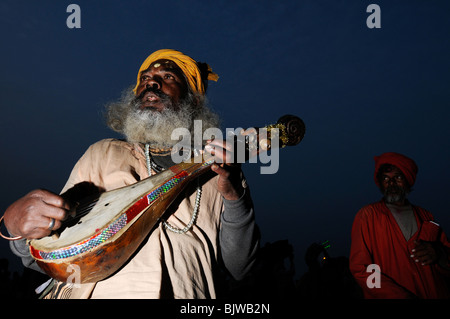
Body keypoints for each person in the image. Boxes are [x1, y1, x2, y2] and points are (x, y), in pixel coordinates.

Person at [1, 49, 260, 299]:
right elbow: (53, 252)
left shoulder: (219, 172)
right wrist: (17, 228)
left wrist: (235, 197)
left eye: (168, 77)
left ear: (193, 100)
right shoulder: (102, 154)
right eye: (145, 79)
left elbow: (240, 269)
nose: (152, 84)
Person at [349, 152, 450, 299]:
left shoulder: (426, 217)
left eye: (398, 177)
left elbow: (446, 258)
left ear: (407, 180)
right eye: (385, 178)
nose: (391, 183)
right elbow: (361, 269)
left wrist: (439, 253)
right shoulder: (368, 216)